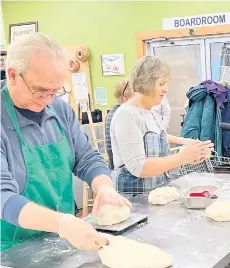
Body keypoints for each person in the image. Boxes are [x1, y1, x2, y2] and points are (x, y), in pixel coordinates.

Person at [0, 33, 131, 252]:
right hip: (10, 249)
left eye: (55, 91)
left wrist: (104, 187)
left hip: (61, 242)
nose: (49, 100)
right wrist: (62, 223)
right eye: (41, 90)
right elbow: (3, 197)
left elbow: (86, 158)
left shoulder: (59, 110)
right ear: (12, 74)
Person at [110, 55, 213, 197]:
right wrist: (181, 157)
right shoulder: (127, 115)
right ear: (146, 82)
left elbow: (160, 141)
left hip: (156, 194)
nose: (166, 90)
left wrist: (190, 151)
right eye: (161, 83)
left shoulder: (152, 113)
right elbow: (138, 167)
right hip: (135, 200)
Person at [105, 79, 134, 170]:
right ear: (125, 97)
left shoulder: (112, 112)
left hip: (114, 166)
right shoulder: (122, 115)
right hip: (121, 169)